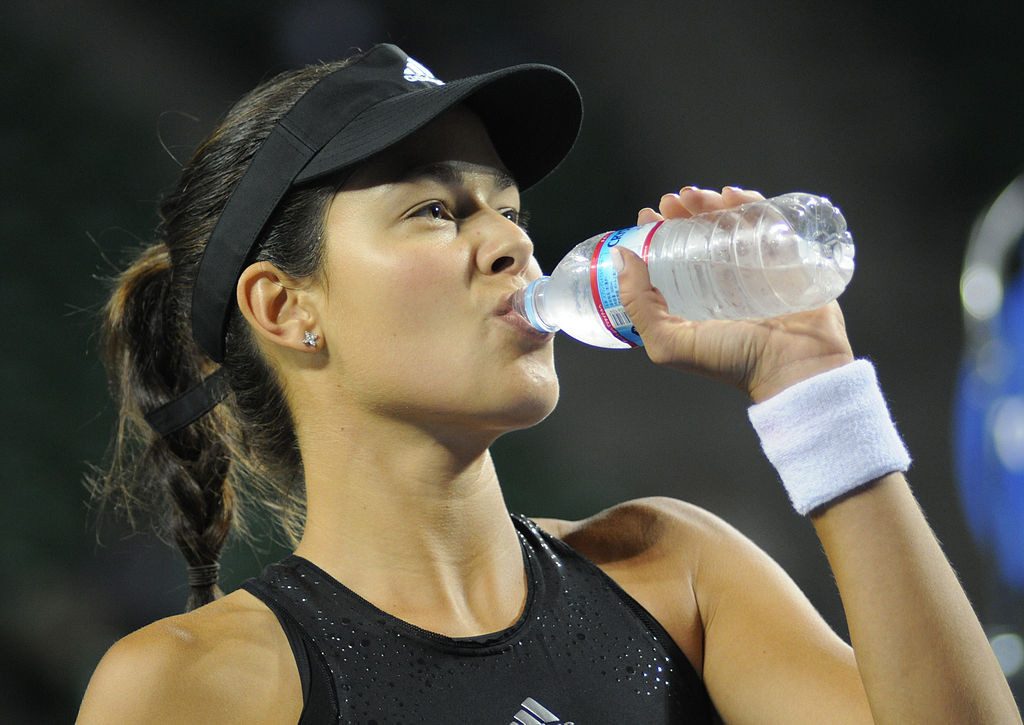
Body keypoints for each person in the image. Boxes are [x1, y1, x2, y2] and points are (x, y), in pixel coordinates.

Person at [77, 44, 1020, 723]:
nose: (513, 244)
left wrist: (813, 390)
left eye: (511, 209)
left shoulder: (674, 572)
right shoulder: (193, 688)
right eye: (436, 209)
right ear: (285, 308)